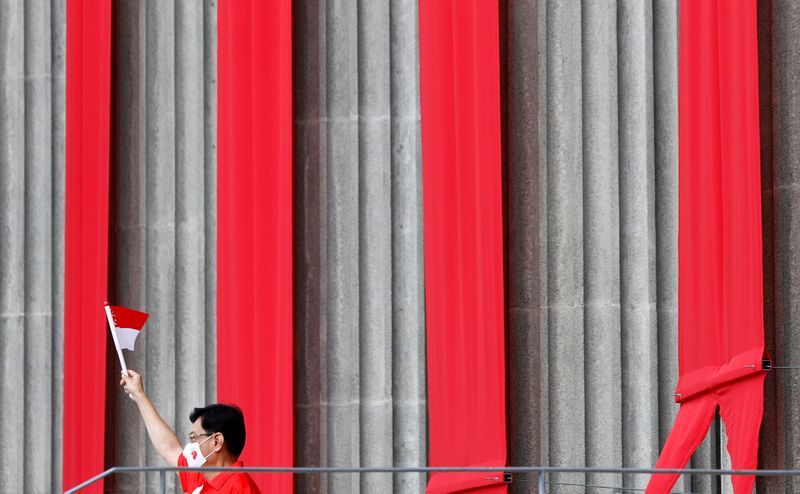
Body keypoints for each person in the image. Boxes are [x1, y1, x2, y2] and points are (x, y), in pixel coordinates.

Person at [120, 370, 261, 494]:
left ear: (217, 442)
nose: (190, 444)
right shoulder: (202, 475)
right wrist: (139, 395)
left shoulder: (241, 488)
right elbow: (168, 448)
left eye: (195, 437)